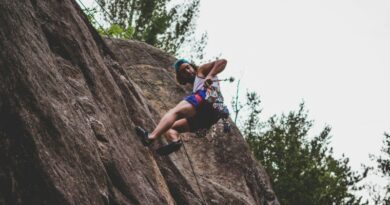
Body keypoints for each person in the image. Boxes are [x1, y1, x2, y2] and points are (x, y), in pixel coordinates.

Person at [136, 58, 228, 155]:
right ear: (181, 76)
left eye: (188, 67)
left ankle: (151, 136)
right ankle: (175, 142)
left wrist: (210, 75)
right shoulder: (197, 83)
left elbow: (222, 61)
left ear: (192, 66)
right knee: (171, 128)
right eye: (183, 72)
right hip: (209, 117)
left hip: (206, 99)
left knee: (174, 112)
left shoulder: (201, 71)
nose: (188, 71)